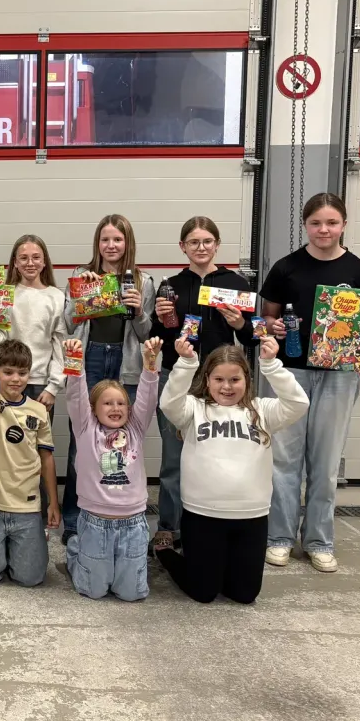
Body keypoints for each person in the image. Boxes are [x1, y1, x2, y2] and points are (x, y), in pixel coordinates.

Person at [260, 193, 360, 573]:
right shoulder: (286, 268)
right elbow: (266, 319)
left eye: (331, 222)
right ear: (306, 226)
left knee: (326, 462)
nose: (324, 230)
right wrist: (273, 327)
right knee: (284, 460)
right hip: (291, 374)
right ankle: (279, 537)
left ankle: (318, 540)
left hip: (340, 375)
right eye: (316, 223)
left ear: (343, 224)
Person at [156, 336, 310, 604]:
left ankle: (217, 565)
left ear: (247, 380)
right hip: (202, 515)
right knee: (203, 593)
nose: (226, 387)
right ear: (207, 380)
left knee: (244, 594)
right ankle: (167, 554)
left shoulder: (263, 410)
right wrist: (186, 363)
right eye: (218, 379)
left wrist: (271, 365)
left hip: (251, 518)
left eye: (235, 379)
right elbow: (169, 403)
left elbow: (299, 403)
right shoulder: (194, 409)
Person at [149, 217, 255, 555]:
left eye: (207, 241)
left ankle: (211, 522)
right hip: (178, 375)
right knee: (173, 457)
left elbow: (254, 335)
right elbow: (159, 335)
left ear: (217, 244)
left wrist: (241, 323)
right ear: (183, 247)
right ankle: (169, 526)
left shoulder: (235, 283)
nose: (201, 247)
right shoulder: (171, 285)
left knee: (217, 453)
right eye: (193, 242)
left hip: (220, 381)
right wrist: (163, 317)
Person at [61, 214, 156, 544]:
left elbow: (146, 333)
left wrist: (140, 311)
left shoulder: (144, 280)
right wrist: (80, 295)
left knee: (123, 438)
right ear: (97, 243)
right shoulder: (81, 275)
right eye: (105, 239)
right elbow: (69, 322)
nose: (111, 245)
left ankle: (122, 510)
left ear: (127, 243)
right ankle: (75, 519)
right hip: (91, 358)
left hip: (125, 360)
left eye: (117, 239)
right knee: (82, 441)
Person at [64, 336, 162, 602]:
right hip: (94, 523)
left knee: (132, 594)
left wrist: (150, 364)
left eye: (121, 403)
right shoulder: (86, 429)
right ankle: (76, 550)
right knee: (93, 591)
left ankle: (99, 560)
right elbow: (76, 394)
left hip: (133, 524)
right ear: (94, 410)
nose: (115, 408)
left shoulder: (135, 429)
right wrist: (74, 362)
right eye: (107, 403)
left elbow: (147, 397)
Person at [0, 338, 59, 586]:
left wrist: (53, 504)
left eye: (22, 372)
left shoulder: (39, 410)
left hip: (26, 506)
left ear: (30, 373)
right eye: (7, 372)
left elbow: (47, 458)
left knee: (31, 578)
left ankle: (16, 545)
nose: (15, 379)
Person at [4, 234, 68, 406]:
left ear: (44, 261)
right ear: (15, 262)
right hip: (6, 382)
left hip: (41, 385)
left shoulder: (57, 297)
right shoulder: (3, 295)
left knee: (39, 433)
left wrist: (53, 387)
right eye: (24, 258)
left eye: (36, 257)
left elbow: (60, 347)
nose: (30, 263)